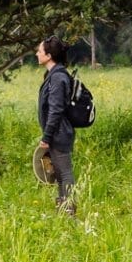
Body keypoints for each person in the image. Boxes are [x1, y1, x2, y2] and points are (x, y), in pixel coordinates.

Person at [36, 34, 76, 215]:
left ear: (49, 55)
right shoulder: (52, 75)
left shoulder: (58, 78)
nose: (37, 53)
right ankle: (63, 211)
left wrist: (47, 137)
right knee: (59, 174)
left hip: (59, 134)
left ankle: (69, 212)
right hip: (57, 133)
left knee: (65, 174)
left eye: (39, 51)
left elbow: (56, 110)